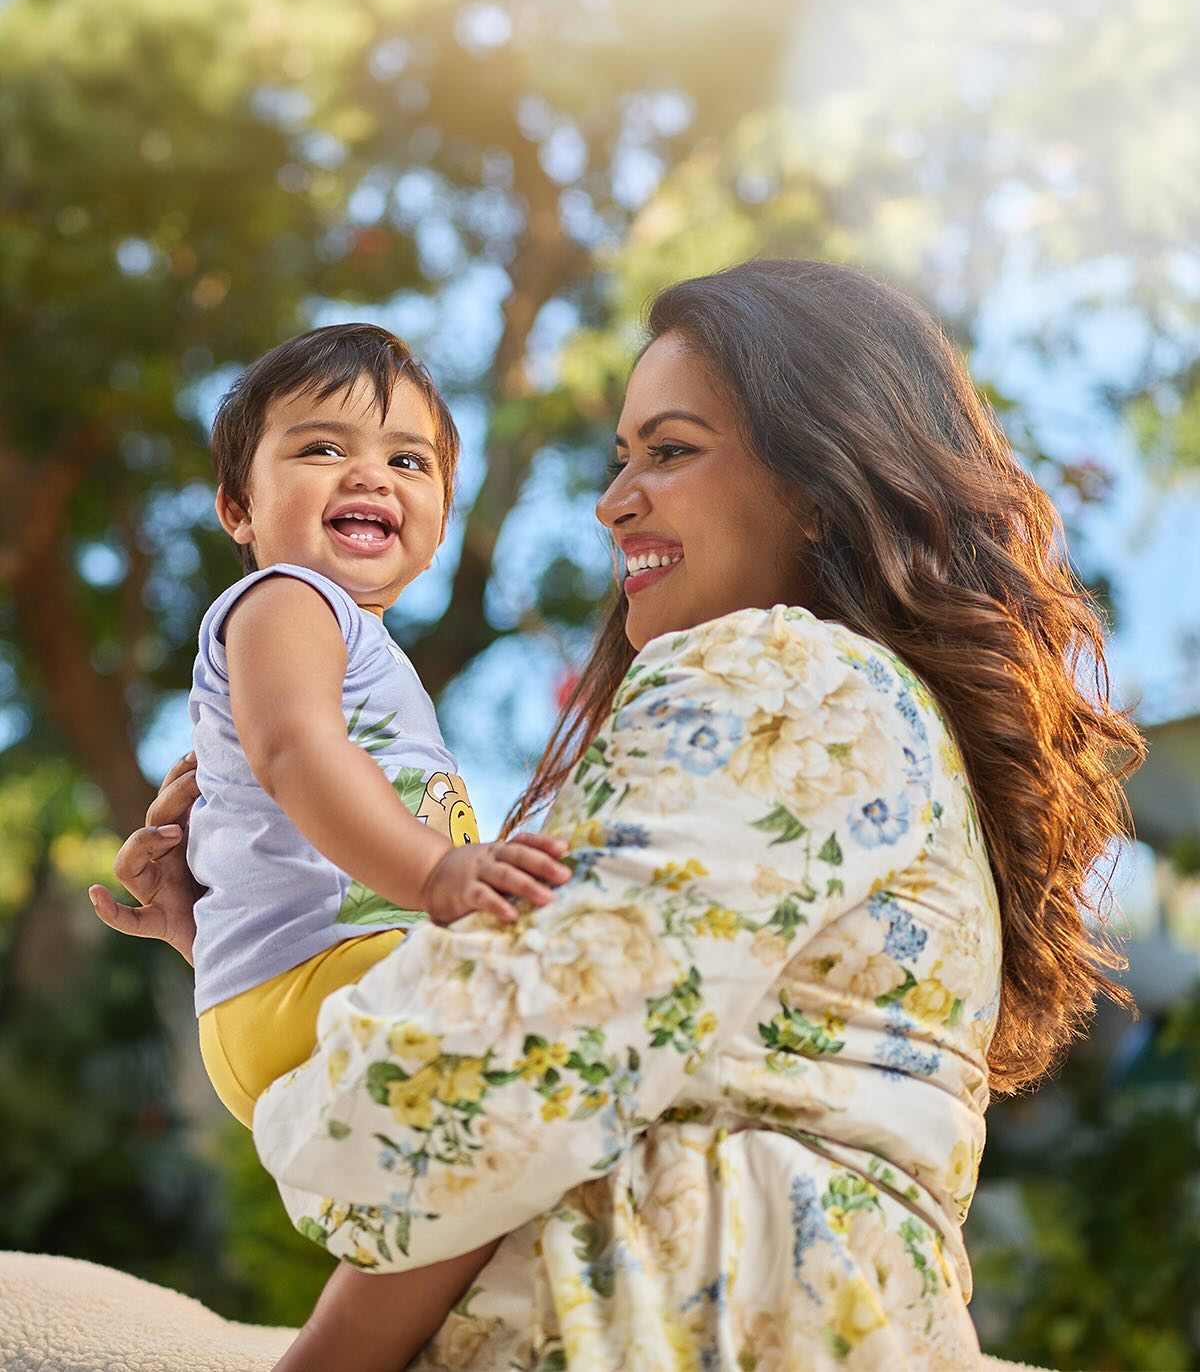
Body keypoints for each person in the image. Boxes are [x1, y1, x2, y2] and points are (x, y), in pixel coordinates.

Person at [101, 259, 1143, 1371]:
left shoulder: (781, 675)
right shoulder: (861, 714)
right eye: (621, 458)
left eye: (672, 450)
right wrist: (243, 931)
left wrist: (359, 1034)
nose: (612, 500)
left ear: (820, 477)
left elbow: (458, 1101)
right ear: (238, 507)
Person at [92, 321, 572, 1370]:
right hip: (327, 988)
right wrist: (441, 871)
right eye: (321, 448)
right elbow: (295, 750)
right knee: (552, 1012)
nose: (371, 474)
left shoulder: (364, 648)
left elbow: (288, 853)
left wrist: (198, 930)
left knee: (485, 1182)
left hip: (286, 994)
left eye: (409, 460)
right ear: (239, 509)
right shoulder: (288, 600)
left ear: (441, 518)